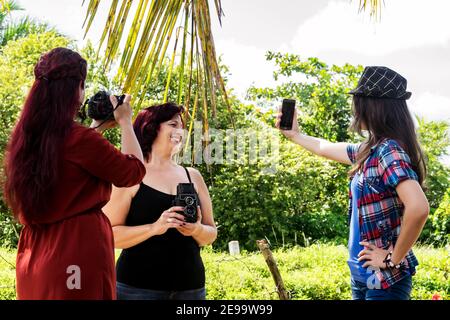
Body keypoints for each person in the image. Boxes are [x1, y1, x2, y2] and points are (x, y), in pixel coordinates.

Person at [3, 47, 146, 299]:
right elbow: (133, 172)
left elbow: (73, 163)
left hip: (35, 255)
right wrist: (125, 121)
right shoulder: (79, 139)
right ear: (75, 88)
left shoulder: (26, 139)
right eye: (83, 85)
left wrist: (94, 130)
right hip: (75, 250)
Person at [276, 66, 429, 300]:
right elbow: (323, 147)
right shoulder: (370, 150)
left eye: (358, 101)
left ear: (373, 105)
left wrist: (391, 259)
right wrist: (295, 135)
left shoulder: (388, 151)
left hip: (383, 279)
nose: (355, 109)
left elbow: (419, 208)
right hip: (362, 275)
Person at [103, 102, 217, 300]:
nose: (180, 130)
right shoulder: (132, 175)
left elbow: (211, 233)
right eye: (173, 124)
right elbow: (109, 235)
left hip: (191, 289)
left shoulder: (193, 176)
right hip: (136, 290)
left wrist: (196, 230)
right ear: (151, 127)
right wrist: (155, 227)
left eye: (181, 126)